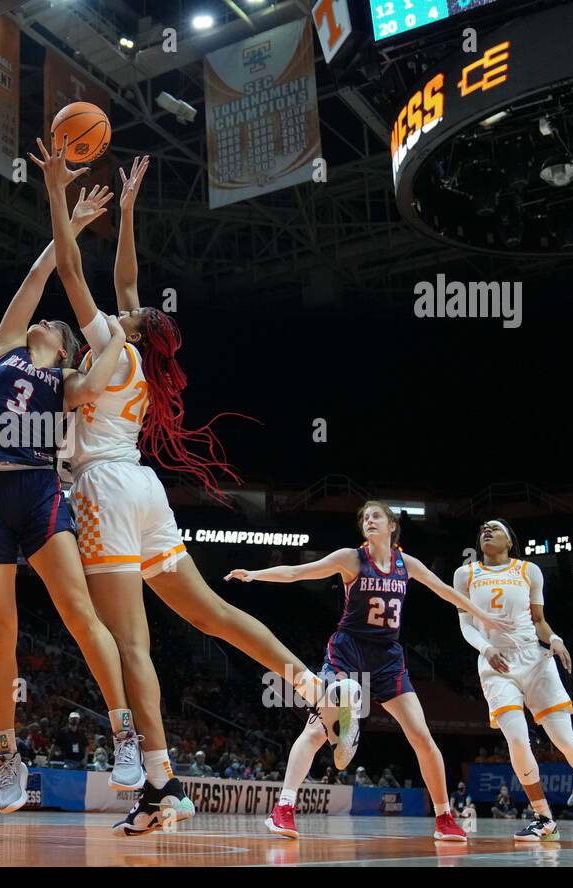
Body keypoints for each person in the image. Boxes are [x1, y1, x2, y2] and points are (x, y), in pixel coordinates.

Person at [34, 145, 353, 836]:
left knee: (130, 645)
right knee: (209, 613)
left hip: (107, 493)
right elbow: (127, 280)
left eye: (137, 311)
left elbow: (69, 267)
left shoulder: (108, 345)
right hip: (146, 493)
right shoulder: (135, 358)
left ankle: (162, 788)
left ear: (139, 329)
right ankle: (315, 688)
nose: (129, 306)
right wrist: (127, 213)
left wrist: (57, 195)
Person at [0, 181, 149, 813]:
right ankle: (6, 753)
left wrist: (121, 332)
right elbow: (41, 276)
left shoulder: (68, 380)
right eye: (43, 320)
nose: (43, 319)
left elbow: (106, 367)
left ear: (65, 348)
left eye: (54, 326)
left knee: (78, 614)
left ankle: (123, 732)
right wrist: (65, 221)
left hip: (39, 489)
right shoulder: (0, 352)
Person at [228, 501, 510, 842]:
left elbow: (445, 591)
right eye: (364, 517)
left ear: (392, 526)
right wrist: (255, 575)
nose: (369, 521)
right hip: (348, 651)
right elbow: (297, 573)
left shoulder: (407, 564)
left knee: (421, 736)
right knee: (317, 730)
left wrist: (483, 616)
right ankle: (284, 809)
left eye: (376, 516)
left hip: (388, 658)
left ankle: (444, 818)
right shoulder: (350, 558)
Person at [454, 519, 573, 843]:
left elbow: (539, 621)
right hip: (496, 662)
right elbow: (466, 625)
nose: (486, 530)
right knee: (516, 739)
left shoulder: (529, 571)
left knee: (565, 739)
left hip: (534, 659)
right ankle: (544, 818)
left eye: (495, 528)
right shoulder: (465, 574)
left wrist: (555, 639)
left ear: (510, 541)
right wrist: (486, 648)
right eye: (483, 528)